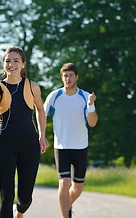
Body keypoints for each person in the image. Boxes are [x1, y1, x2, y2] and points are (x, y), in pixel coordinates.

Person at [0, 45, 48, 218]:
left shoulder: (32, 87)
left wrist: (42, 136)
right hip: (4, 143)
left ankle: (19, 213)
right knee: (6, 196)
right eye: (8, 61)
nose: (11, 64)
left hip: (28, 143)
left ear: (23, 64)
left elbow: (40, 111)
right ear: (3, 64)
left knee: (25, 198)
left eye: (16, 61)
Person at [44, 62, 98, 218]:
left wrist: (91, 105)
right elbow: (41, 114)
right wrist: (40, 135)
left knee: (77, 188)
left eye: (71, 75)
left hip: (81, 147)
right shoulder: (54, 96)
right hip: (61, 147)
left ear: (76, 77)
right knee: (64, 182)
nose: (68, 78)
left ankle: (66, 204)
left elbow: (93, 123)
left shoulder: (85, 97)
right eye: (65, 76)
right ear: (62, 77)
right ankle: (65, 215)